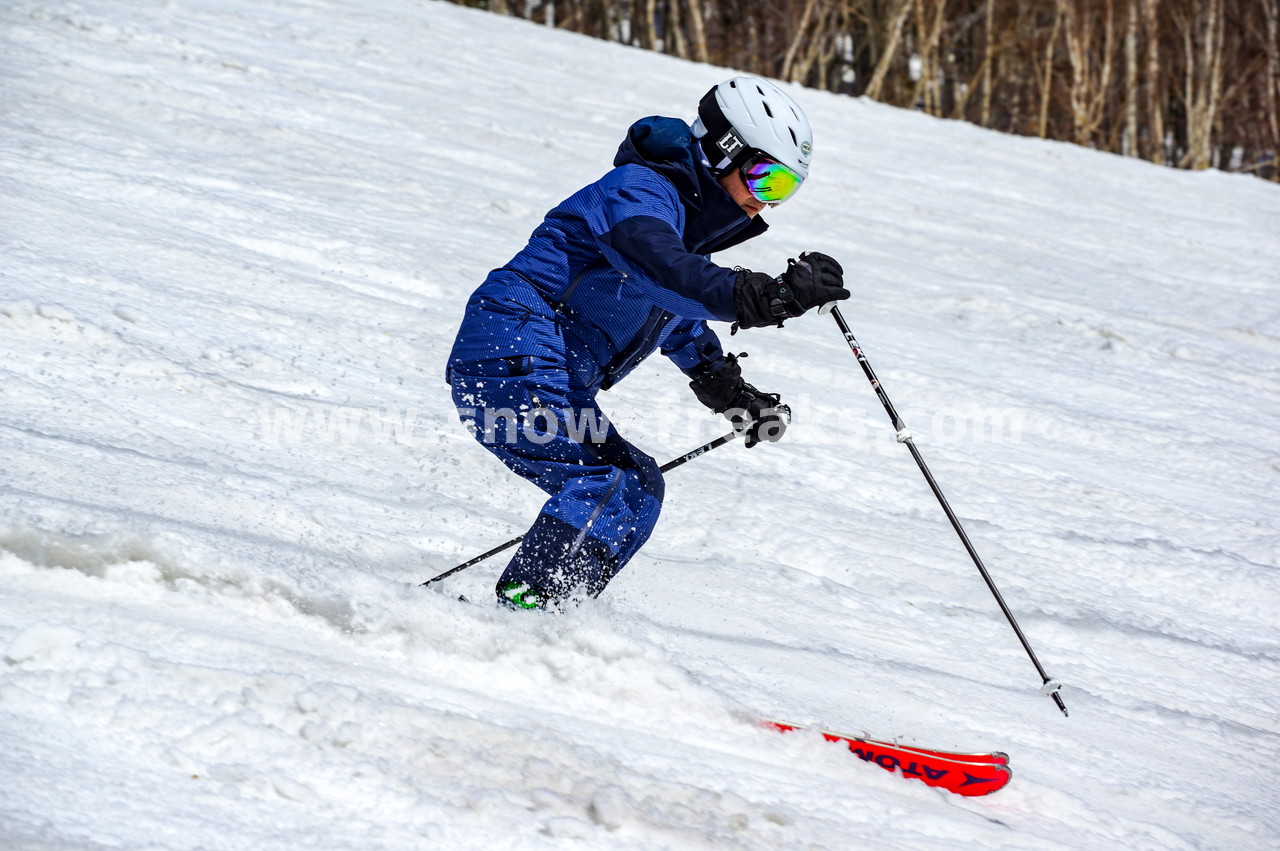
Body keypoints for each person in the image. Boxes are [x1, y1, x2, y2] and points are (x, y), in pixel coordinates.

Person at [446, 75, 848, 610]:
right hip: (513, 345)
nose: (766, 202)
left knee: (637, 486)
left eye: (784, 191)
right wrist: (767, 296)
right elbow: (663, 270)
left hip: (539, 365)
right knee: (603, 482)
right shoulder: (638, 193)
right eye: (765, 179)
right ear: (724, 150)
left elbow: (675, 312)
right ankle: (526, 605)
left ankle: (557, 609)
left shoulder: (679, 226)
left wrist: (728, 391)